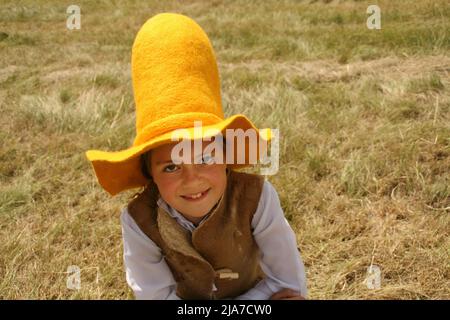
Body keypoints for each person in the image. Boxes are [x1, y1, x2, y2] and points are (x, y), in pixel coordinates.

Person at [85, 12, 307, 300]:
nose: (192, 179)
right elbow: (155, 296)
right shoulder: (138, 220)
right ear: (149, 172)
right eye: (171, 167)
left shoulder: (258, 198)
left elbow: (287, 284)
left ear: (227, 156)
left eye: (205, 158)